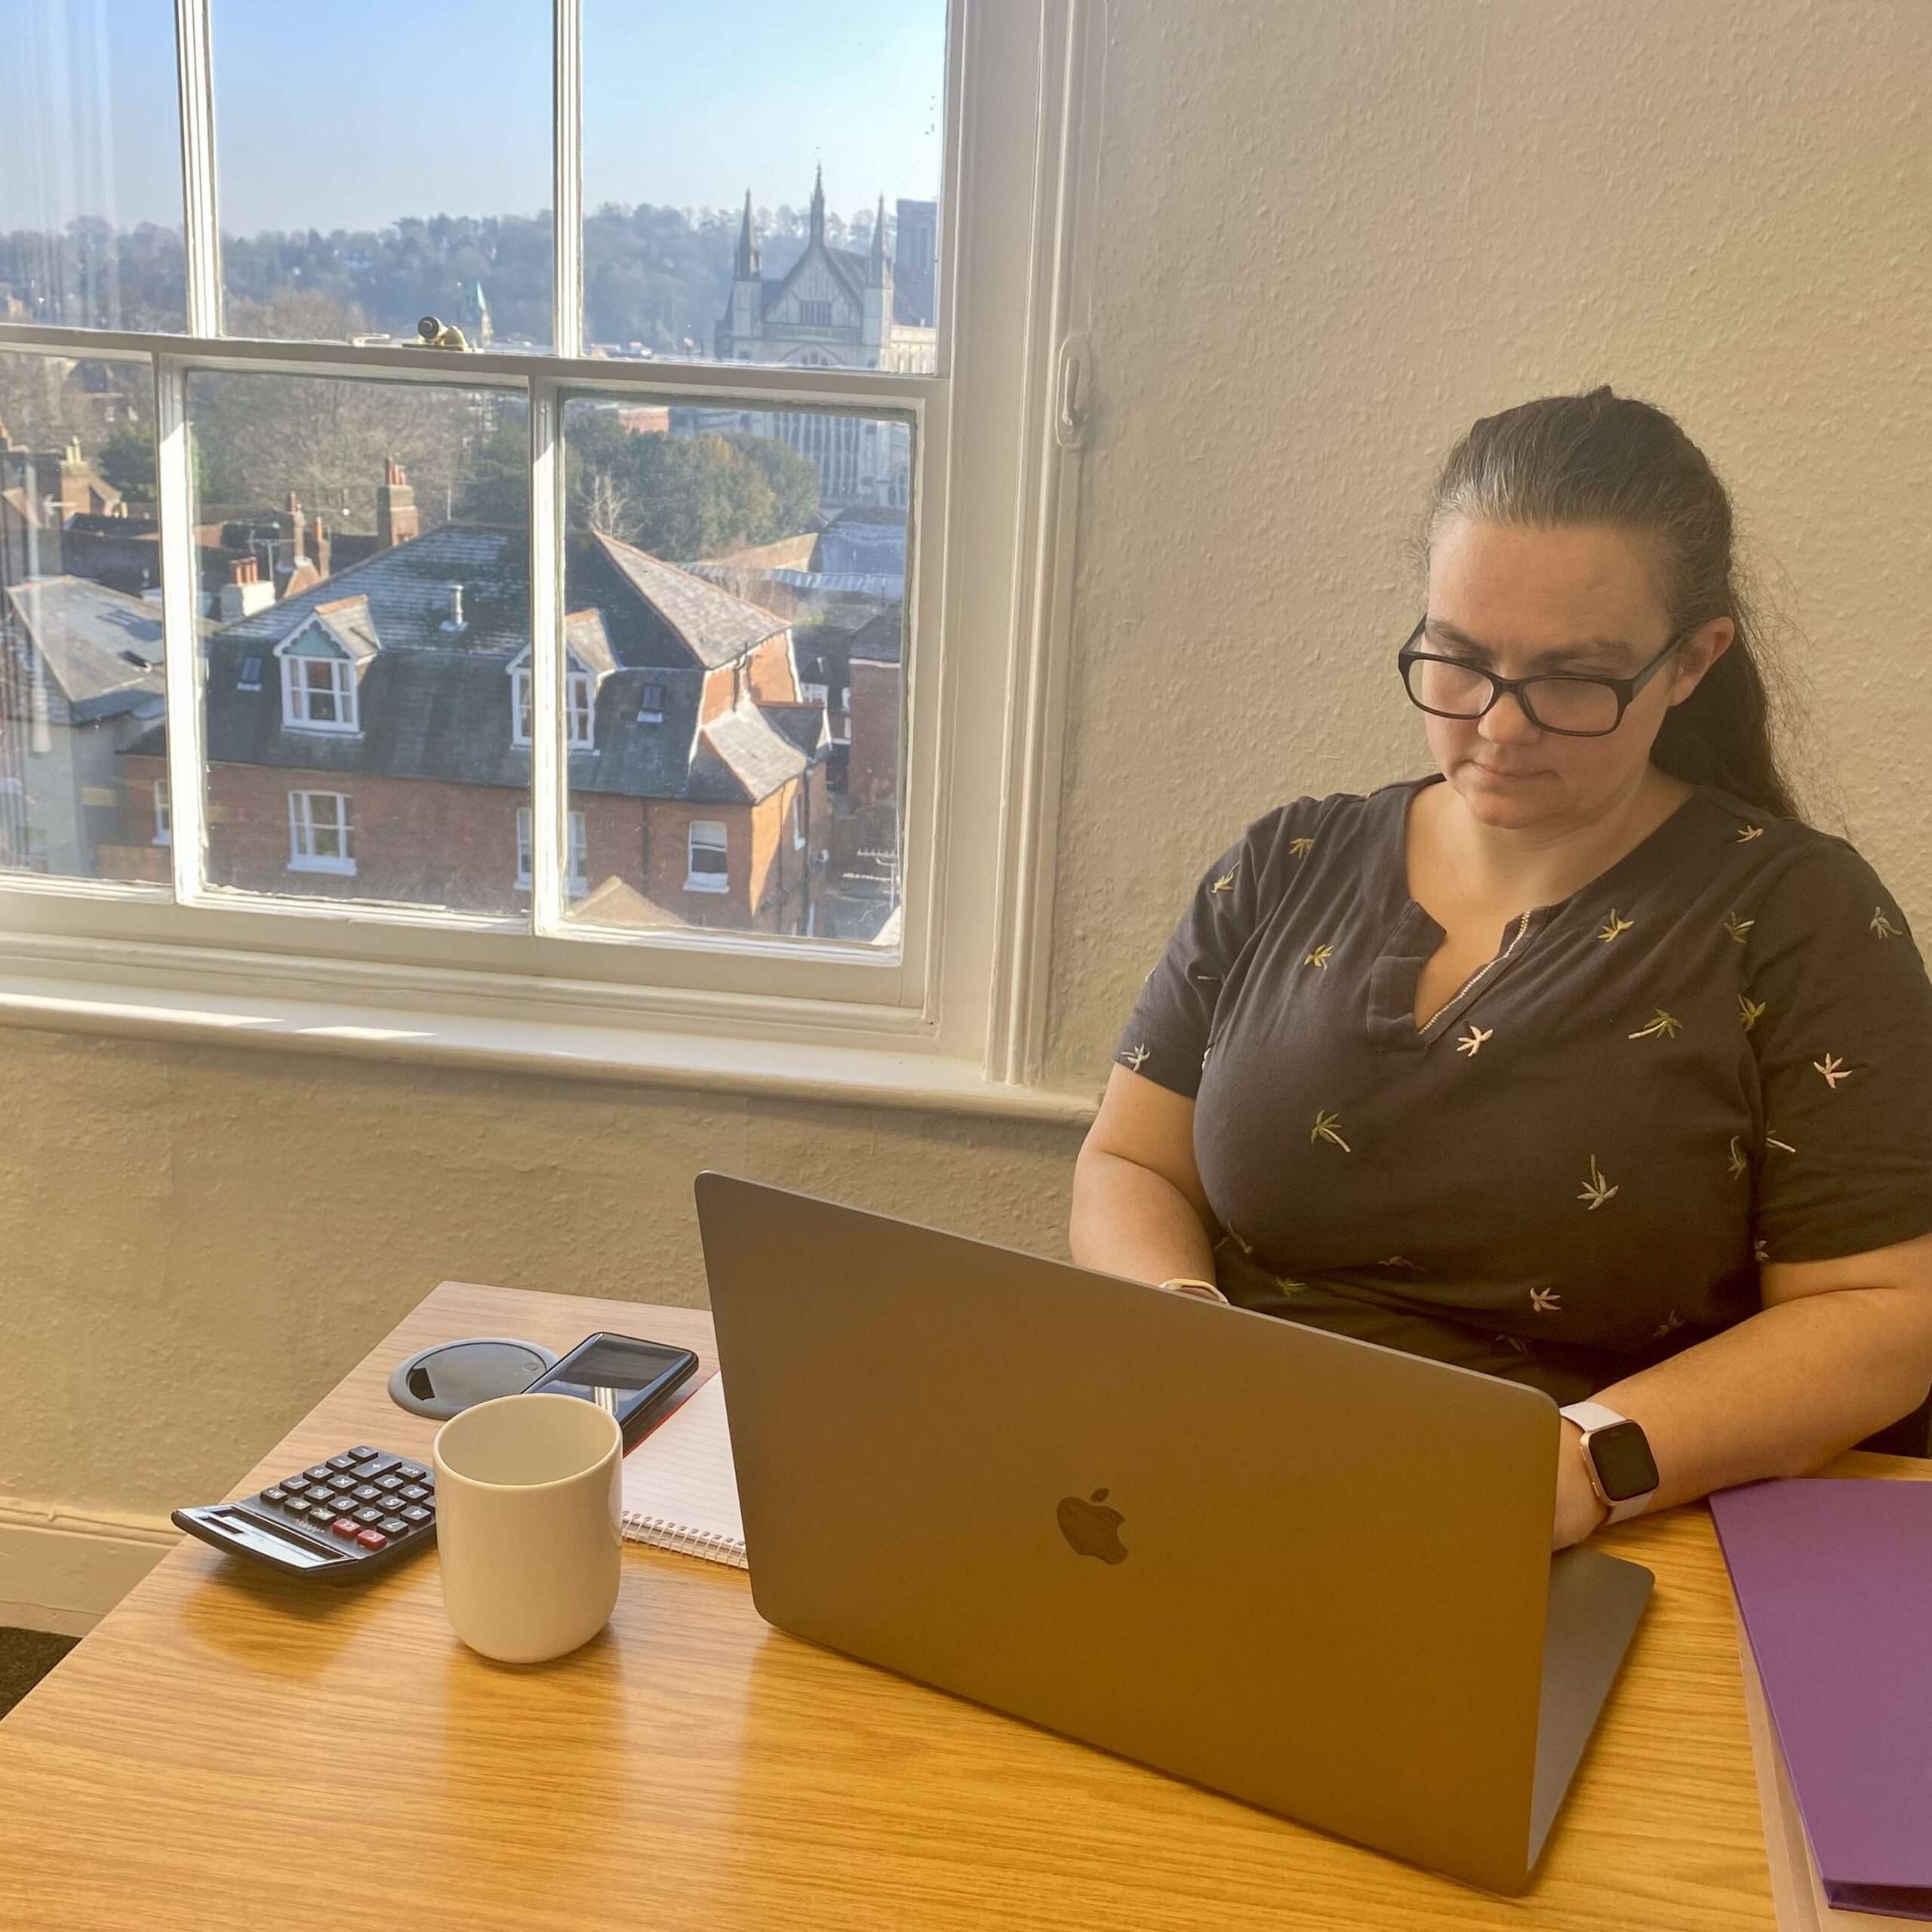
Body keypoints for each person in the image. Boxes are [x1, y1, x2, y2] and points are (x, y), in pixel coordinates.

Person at [1070, 386, 1932, 1549]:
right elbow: (1132, 1160)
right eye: (1460, 661)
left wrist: (1584, 1465)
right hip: (1219, 1471)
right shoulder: (1289, 861)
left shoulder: (1796, 915)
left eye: (1574, 678)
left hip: (1576, 1519)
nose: (1498, 726)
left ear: (1692, 662)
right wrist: (1179, 1326)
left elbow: (1881, 1317)